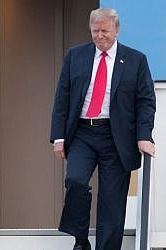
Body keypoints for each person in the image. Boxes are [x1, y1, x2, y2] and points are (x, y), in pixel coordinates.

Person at [50, 8, 155, 250]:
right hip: (82, 133)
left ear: (116, 30)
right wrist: (58, 136)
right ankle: (80, 240)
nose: (100, 36)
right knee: (75, 181)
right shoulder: (75, 56)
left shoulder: (136, 59)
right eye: (95, 31)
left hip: (116, 136)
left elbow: (146, 101)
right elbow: (62, 97)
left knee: (111, 200)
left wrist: (143, 136)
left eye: (105, 31)